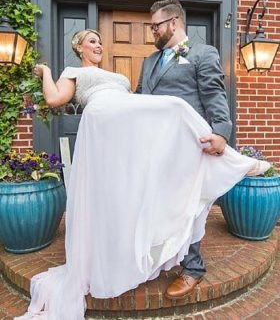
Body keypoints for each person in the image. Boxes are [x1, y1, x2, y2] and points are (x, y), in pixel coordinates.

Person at [16, 28, 269, 320]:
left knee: (136, 186)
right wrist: (46, 71)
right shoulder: (73, 71)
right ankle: (236, 161)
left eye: (100, 41)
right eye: (92, 41)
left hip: (125, 124)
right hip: (103, 118)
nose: (99, 45)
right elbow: (53, 99)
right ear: (79, 47)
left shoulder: (115, 75)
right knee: (175, 106)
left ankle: (228, 161)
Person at [134, 0, 262, 299]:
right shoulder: (148, 61)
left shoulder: (203, 53)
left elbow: (213, 93)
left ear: (174, 22)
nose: (152, 31)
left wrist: (221, 132)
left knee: (187, 206)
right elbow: (140, 97)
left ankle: (192, 268)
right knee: (157, 202)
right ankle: (162, 256)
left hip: (187, 147)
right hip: (154, 147)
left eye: (156, 26)